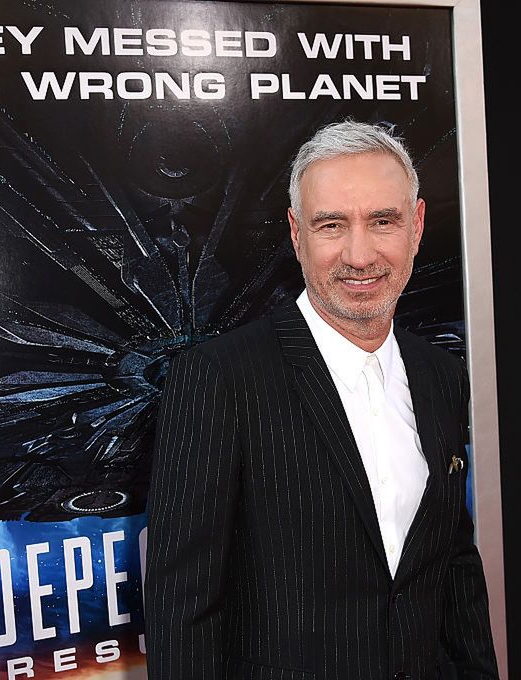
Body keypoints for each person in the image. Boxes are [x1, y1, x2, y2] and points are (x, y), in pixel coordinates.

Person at [144, 120, 499, 680]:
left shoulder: (442, 375)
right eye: (332, 225)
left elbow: (453, 564)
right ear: (296, 233)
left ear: (416, 225)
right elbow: (182, 609)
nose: (360, 255)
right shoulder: (220, 379)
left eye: (382, 221)